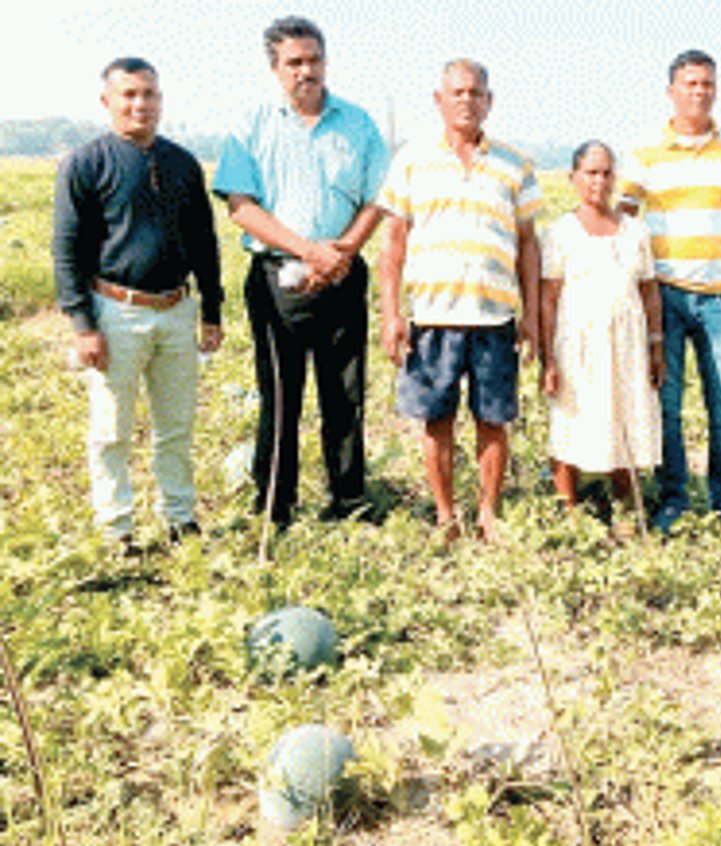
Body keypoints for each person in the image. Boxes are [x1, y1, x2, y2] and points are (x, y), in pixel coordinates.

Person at [212, 16, 388, 527]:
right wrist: (309, 251)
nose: (305, 71)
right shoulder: (252, 125)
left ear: (325, 62)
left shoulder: (358, 124)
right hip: (276, 278)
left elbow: (378, 198)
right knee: (281, 395)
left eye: (313, 60)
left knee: (346, 394)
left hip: (343, 274)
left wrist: (342, 253)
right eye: (294, 62)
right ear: (275, 68)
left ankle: (348, 501)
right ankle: (274, 505)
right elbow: (241, 207)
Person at [52, 57, 224, 555]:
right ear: (106, 102)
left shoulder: (182, 164)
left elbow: (203, 241)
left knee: (176, 425)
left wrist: (211, 308)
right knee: (111, 429)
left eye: (148, 94)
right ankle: (117, 529)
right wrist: (82, 324)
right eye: (128, 95)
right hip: (115, 311)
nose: (140, 104)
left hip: (175, 309)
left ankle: (180, 517)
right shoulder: (85, 164)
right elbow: (66, 249)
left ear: (160, 100)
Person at [377, 60, 541, 543]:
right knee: (437, 419)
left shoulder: (515, 163)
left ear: (489, 100)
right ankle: (446, 514)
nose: (466, 101)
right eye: (457, 93)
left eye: (476, 93)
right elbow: (393, 244)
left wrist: (530, 314)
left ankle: (489, 512)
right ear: (439, 100)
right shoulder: (411, 159)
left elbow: (529, 243)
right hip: (432, 316)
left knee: (493, 420)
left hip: (494, 316)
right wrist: (391, 314)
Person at [618, 49, 721, 533]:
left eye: (707, 84)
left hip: (719, 297)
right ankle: (674, 499)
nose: (700, 92)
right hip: (666, 297)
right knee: (670, 405)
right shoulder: (645, 149)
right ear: (672, 91)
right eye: (690, 84)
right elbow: (623, 216)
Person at [540, 141, 665, 509]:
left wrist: (656, 345)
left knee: (625, 413)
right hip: (577, 343)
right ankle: (568, 508)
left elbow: (649, 291)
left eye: (607, 173)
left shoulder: (634, 231)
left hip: (627, 341)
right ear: (573, 178)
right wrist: (549, 359)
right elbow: (548, 298)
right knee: (571, 418)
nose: (600, 181)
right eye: (591, 172)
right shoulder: (561, 231)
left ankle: (625, 503)